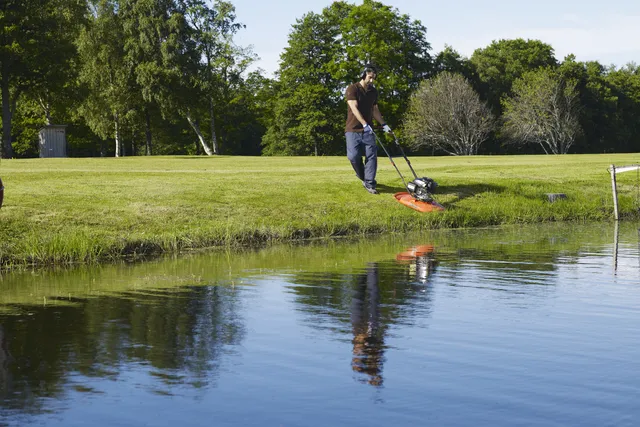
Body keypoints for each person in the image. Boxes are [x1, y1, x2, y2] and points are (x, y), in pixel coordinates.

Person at [345, 64, 392, 195]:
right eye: (370, 77)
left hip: (368, 130)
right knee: (353, 156)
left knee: (372, 156)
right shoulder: (352, 89)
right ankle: (362, 177)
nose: (372, 81)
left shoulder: (373, 92)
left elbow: (375, 110)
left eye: (374, 78)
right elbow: (354, 108)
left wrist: (384, 125)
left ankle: (370, 183)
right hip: (353, 130)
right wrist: (364, 124)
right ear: (363, 74)